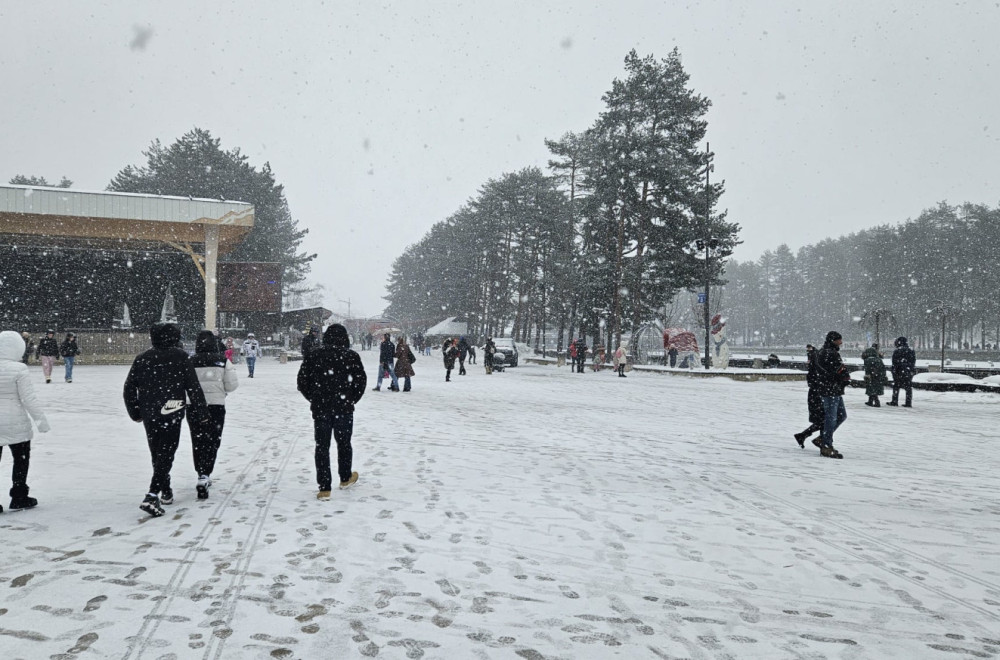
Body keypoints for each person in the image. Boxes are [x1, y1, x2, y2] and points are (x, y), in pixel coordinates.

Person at [124, 323, 210, 517]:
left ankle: (166, 490)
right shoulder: (181, 357)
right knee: (167, 451)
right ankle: (153, 493)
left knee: (157, 451)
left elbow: (129, 387)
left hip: (149, 410)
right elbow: (193, 386)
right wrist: (202, 412)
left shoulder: (143, 359)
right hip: (172, 407)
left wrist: (136, 411)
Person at [297, 324, 366, 497]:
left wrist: (314, 398)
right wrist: (351, 399)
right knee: (344, 444)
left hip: (321, 408)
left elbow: (302, 382)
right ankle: (345, 477)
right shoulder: (351, 356)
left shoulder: (314, 355)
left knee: (322, 446)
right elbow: (360, 382)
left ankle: (324, 486)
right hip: (344, 408)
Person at [0, 331, 51, 512]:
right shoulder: (19, 369)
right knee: (20, 459)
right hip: (15, 422)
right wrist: (40, 420)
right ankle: (19, 495)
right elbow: (28, 398)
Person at [187, 330, 239, 499]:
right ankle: (206, 471)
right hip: (216, 405)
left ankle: (200, 471)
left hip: (194, 406)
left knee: (197, 438)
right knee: (213, 439)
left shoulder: (190, 361)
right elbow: (231, 385)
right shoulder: (222, 361)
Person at [814, 331, 848, 459]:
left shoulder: (827, 352)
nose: (841, 342)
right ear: (833, 340)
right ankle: (826, 445)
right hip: (830, 389)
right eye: (839, 340)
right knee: (832, 417)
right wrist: (842, 375)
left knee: (840, 416)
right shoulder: (829, 353)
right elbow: (835, 371)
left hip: (833, 389)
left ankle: (823, 438)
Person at [794, 344, 824, 448]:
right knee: (825, 419)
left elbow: (811, 378)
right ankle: (821, 440)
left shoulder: (814, 360)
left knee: (823, 419)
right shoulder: (816, 360)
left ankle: (805, 435)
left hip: (816, 392)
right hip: (819, 392)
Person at [888, 336, 916, 407]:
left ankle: (894, 401)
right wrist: (910, 369)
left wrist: (895, 371)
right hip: (908, 372)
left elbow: (894, 362)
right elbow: (913, 362)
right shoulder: (911, 351)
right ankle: (908, 403)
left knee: (896, 386)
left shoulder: (897, 351)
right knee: (908, 387)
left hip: (899, 372)